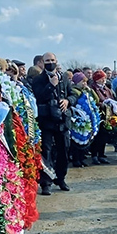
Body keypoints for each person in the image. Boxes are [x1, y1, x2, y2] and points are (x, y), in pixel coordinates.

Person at [32, 52, 76, 195]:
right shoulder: (38, 79)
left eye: (52, 60)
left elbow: (73, 94)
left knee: (64, 150)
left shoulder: (64, 78)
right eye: (47, 60)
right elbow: (38, 97)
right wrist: (51, 86)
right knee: (47, 152)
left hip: (62, 120)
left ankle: (61, 178)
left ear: (56, 61)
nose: (50, 62)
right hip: (47, 121)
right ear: (43, 63)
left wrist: (67, 101)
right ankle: (46, 183)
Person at [90, 70, 113, 165]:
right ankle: (94, 155)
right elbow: (92, 100)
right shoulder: (93, 89)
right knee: (97, 136)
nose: (104, 80)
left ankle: (101, 155)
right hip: (98, 115)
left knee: (104, 136)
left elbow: (111, 97)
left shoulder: (107, 89)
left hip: (107, 115)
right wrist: (102, 104)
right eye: (102, 78)